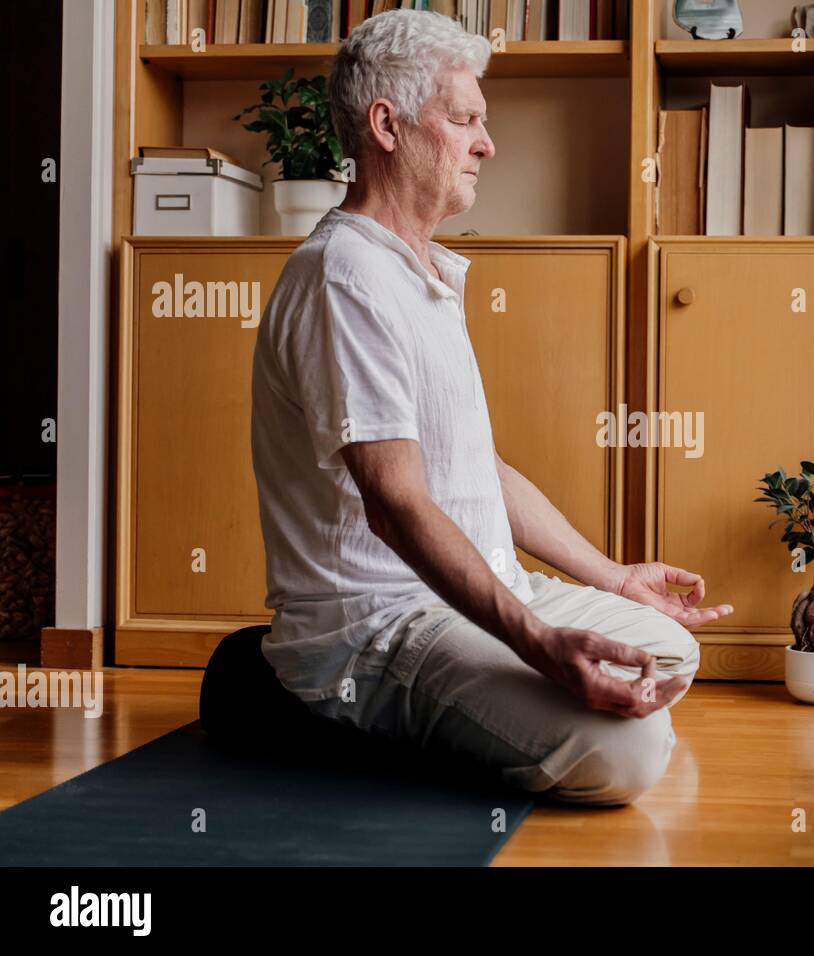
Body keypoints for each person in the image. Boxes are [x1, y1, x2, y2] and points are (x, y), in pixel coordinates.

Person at [249, 9, 733, 806]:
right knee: (630, 754)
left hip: (478, 590)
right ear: (388, 125)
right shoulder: (346, 278)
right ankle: (340, 715)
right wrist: (540, 645)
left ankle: (477, 709)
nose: (487, 142)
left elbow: (480, 471)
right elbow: (397, 506)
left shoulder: (423, 272)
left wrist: (614, 579)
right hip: (384, 627)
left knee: (666, 648)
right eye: (466, 118)